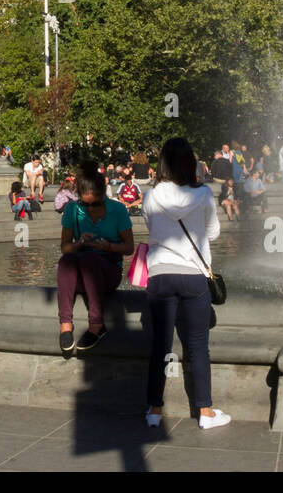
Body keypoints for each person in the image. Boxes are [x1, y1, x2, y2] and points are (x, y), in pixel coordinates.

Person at [143, 138, 229, 430]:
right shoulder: (203, 194)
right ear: (191, 163)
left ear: (163, 163)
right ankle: (205, 412)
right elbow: (213, 233)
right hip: (193, 274)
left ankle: (154, 410)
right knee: (197, 346)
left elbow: (151, 228)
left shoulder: (150, 195)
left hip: (160, 274)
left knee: (160, 346)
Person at [57, 161, 135, 354]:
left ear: (104, 196)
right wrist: (79, 243)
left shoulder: (117, 210)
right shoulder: (72, 210)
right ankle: (66, 325)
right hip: (80, 271)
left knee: (89, 260)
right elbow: (65, 247)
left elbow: (129, 248)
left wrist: (108, 246)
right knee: (67, 260)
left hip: (107, 272)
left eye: (96, 204)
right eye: (85, 203)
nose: (90, 209)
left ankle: (97, 325)